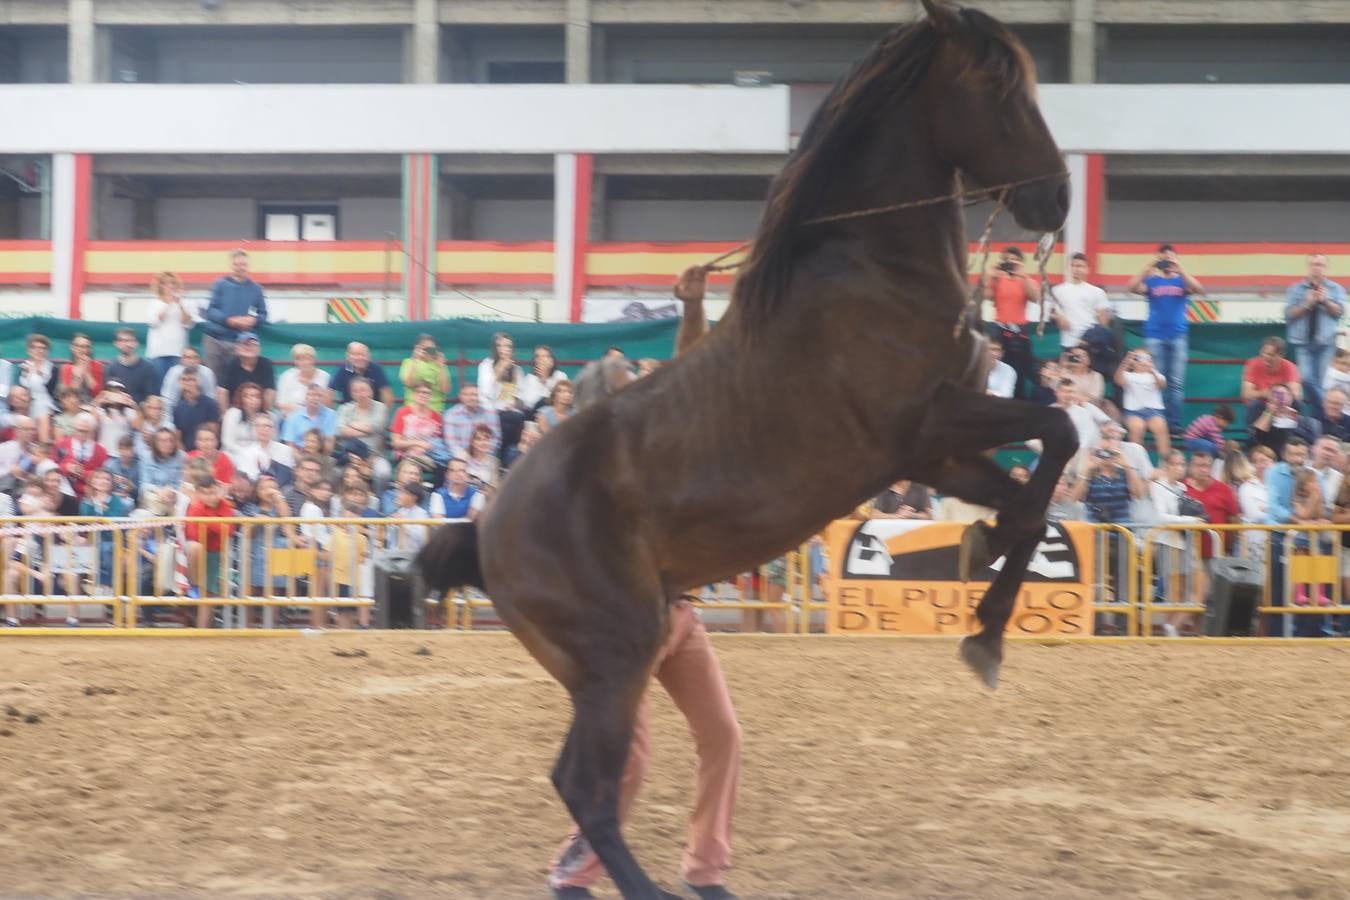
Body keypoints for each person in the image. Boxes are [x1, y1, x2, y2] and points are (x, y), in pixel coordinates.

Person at [547, 264, 740, 900]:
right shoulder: (589, 469)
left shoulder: (652, 442)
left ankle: (705, 870)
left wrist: (692, 308)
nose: (644, 386)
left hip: (678, 614)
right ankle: (573, 871)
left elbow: (689, 372)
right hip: (623, 630)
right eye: (629, 380)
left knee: (722, 736)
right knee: (629, 763)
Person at [1126, 244, 1205, 434]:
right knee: (1156, 380)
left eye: (1170, 257)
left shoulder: (1181, 281)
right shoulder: (1153, 281)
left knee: (1176, 382)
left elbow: (1199, 290)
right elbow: (1131, 287)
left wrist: (1180, 269)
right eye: (1164, 258)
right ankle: (1158, 420)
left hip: (1178, 335)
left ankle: (1175, 423)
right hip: (1154, 335)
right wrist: (1149, 267)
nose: (1167, 261)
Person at [1149, 450, 1204, 637]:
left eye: (1182, 464)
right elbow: (1160, 516)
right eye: (1175, 464)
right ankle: (1170, 627)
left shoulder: (1182, 487)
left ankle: (1172, 626)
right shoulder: (1158, 487)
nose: (1179, 468)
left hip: (1184, 541)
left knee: (1195, 588)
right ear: (1166, 467)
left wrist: (1190, 520)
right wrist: (1190, 520)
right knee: (1176, 590)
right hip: (1169, 541)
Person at [1285, 253, 1345, 406]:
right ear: (1308, 267)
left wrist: (1325, 301)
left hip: (1326, 343)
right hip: (1303, 342)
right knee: (1306, 379)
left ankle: (1317, 419)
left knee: (1324, 383)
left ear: (1327, 268)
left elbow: (1339, 313)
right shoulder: (1296, 289)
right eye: (1313, 264)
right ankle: (1324, 410)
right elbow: (1289, 314)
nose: (1317, 268)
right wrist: (1307, 304)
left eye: (1320, 265)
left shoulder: (1336, 288)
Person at [982, 245, 1039, 399]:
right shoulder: (998, 279)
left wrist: (1023, 276)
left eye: (1015, 260)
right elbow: (985, 296)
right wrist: (990, 276)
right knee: (995, 364)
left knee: (1020, 370)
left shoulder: (1027, 280)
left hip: (1019, 330)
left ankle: (1018, 400)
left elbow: (1035, 297)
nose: (1011, 263)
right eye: (1007, 260)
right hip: (999, 328)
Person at [202, 249, 267, 381]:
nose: (240, 268)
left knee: (234, 380)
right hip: (214, 339)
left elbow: (263, 314)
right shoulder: (220, 285)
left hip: (239, 342)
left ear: (248, 266)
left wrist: (253, 320)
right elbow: (211, 310)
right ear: (232, 266)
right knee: (211, 378)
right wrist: (228, 320)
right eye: (237, 264)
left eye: (243, 264)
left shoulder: (256, 289)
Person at [183, 472, 238, 627]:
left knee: (208, 596)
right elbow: (193, 535)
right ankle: (193, 583)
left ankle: (204, 629)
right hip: (202, 553)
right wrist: (216, 524)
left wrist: (206, 523)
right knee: (206, 596)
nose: (210, 497)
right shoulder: (196, 507)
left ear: (218, 490)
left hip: (217, 553)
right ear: (199, 493)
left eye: (212, 492)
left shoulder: (225, 505)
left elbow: (229, 530)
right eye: (205, 493)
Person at [79, 468, 133, 593]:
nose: (103, 481)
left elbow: (115, 519)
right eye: (98, 478)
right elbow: (87, 519)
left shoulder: (116, 500)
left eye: (107, 479)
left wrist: (101, 513)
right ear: (92, 481)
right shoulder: (87, 501)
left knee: (107, 549)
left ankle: (109, 586)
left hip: (112, 539)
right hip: (92, 539)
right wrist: (100, 510)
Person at [1073, 437, 1146, 524]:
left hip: (1122, 528)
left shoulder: (1125, 473)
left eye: (1110, 453)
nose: (1106, 457)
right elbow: (1076, 498)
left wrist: (1127, 466)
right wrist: (1087, 470)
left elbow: (1139, 495)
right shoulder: (1089, 474)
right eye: (1102, 452)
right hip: (1095, 527)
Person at [1049, 252, 1111, 351]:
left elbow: (1103, 323)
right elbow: (1052, 314)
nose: (1076, 269)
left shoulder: (1098, 292)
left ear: (1087, 269)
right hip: (1068, 342)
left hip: (1090, 343)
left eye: (1080, 266)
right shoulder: (1057, 290)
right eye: (1073, 265)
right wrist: (1058, 318)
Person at [336, 376, 391, 487]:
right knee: (336, 472)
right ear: (351, 393)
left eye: (363, 390)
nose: (360, 394)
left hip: (374, 455)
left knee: (383, 473)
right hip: (350, 454)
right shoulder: (345, 408)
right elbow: (340, 430)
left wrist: (351, 424)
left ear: (371, 391)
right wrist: (367, 431)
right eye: (356, 391)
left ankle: (380, 501)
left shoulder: (381, 407)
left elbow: (376, 427)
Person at [1116, 348, 1170, 456]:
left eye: (1147, 358)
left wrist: (1153, 370)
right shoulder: (1128, 375)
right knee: (1137, 428)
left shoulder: (1156, 375)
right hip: (1133, 412)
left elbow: (1162, 385)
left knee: (1161, 428)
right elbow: (1118, 380)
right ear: (1133, 362)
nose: (1143, 361)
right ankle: (1138, 461)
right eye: (1138, 358)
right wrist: (1126, 362)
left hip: (1154, 411)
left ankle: (1165, 462)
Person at [146, 271, 197, 381]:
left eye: (172, 283)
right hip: (158, 351)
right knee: (158, 383)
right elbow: (153, 322)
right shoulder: (154, 303)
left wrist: (180, 304)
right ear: (159, 286)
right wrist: (168, 304)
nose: (169, 286)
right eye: (165, 283)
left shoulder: (186, 303)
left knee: (177, 382)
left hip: (178, 351)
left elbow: (188, 324)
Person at [1248, 384, 1320, 459]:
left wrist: (1293, 418)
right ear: (1269, 399)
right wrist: (1269, 412)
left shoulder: (1306, 422)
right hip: (1272, 460)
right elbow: (1255, 438)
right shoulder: (1264, 419)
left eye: (1284, 394)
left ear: (1291, 398)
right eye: (1274, 394)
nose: (1279, 397)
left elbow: (1311, 442)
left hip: (1299, 459)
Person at [1241, 336, 1302, 422]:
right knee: (1254, 404)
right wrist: (1266, 393)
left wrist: (1277, 397)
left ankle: (1291, 432)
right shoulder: (1253, 364)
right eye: (1264, 353)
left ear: (1281, 355)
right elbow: (1246, 394)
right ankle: (1254, 434)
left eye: (1271, 355)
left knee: (1297, 404)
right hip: (1262, 407)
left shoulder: (1290, 367)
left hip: (1282, 407)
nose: (1266, 357)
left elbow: (1296, 394)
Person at [218, 332, 276, 412]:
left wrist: (265, 413)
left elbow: (269, 392)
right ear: (237, 348)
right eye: (245, 344)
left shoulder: (266, 364)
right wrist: (225, 415)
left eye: (253, 344)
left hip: (259, 409)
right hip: (235, 409)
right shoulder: (230, 364)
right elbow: (222, 391)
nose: (249, 347)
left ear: (259, 349)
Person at [56, 412, 108, 498]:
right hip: (64, 492)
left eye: (85, 431)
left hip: (90, 494)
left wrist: (85, 474)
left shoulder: (101, 451)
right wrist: (67, 467)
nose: (80, 434)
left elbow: (104, 475)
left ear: (92, 432)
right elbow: (53, 466)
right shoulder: (62, 444)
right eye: (78, 430)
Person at [443, 384, 501, 460]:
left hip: (484, 456)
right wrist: (464, 458)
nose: (470, 398)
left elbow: (495, 439)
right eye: (466, 395)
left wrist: (482, 455)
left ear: (480, 396)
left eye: (474, 395)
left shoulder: (490, 413)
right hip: (461, 457)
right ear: (460, 397)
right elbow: (451, 443)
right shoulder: (451, 414)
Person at [231, 416, 294, 487]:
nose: (265, 429)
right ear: (253, 430)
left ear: (274, 430)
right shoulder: (245, 453)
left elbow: (289, 476)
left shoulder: (285, 450)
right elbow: (248, 478)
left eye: (268, 426)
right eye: (259, 426)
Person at [399, 333, 452, 413]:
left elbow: (445, 390)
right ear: (417, 348)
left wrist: (441, 366)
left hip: (435, 410)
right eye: (425, 348)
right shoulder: (408, 362)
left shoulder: (440, 365)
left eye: (432, 349)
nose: (428, 351)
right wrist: (415, 359)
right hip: (413, 409)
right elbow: (408, 383)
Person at [105, 327, 161, 403]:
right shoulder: (111, 367)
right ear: (116, 343)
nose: (126, 344)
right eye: (121, 340)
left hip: (142, 412)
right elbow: (109, 396)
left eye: (129, 340)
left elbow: (152, 397)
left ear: (136, 343)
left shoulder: (148, 368)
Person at [331, 341, 394, 407]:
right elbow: (330, 392)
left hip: (373, 411)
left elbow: (387, 394)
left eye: (363, 354)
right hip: (350, 412)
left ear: (369, 356)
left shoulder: (376, 368)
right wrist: (331, 414)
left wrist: (383, 414)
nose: (359, 357)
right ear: (348, 356)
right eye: (355, 354)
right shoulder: (342, 370)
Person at [275, 343, 331, 417]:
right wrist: (302, 411)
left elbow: (327, 404)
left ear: (314, 359)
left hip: (317, 416)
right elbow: (280, 403)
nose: (305, 362)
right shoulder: (286, 375)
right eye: (300, 359)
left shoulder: (325, 377)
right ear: (295, 361)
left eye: (308, 358)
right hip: (290, 416)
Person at [172, 370, 221, 452]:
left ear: (198, 382)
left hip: (208, 451)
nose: (187, 383)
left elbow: (213, 433)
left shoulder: (210, 404)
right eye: (184, 379)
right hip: (188, 454)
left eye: (191, 379)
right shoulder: (178, 408)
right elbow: (178, 438)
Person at [220, 382, 272, 457]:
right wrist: (246, 453)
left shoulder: (267, 417)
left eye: (257, 397)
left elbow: (270, 441)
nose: (253, 400)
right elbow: (227, 441)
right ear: (241, 398)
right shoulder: (233, 413)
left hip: (258, 455)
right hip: (233, 454)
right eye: (249, 396)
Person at [281, 383, 337, 452]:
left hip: (321, 455)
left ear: (323, 398)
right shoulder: (293, 417)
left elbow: (329, 444)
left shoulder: (331, 415)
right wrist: (301, 460)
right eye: (312, 395)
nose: (316, 398)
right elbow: (290, 446)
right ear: (306, 397)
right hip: (299, 454)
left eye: (319, 395)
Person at [137, 427, 187, 502]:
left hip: (175, 495)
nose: (168, 444)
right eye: (163, 441)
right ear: (155, 443)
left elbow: (182, 482)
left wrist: (172, 492)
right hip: (154, 495)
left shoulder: (181, 456)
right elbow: (144, 485)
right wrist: (159, 491)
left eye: (171, 440)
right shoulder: (146, 457)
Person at [17, 333, 56, 421]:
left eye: (43, 348)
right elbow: (18, 389)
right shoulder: (22, 368)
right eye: (35, 347)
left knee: (41, 407)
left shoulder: (52, 369)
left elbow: (53, 392)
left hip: (46, 404)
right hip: (24, 404)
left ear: (47, 351)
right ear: (29, 350)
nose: (39, 351)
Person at [57, 333, 104, 404]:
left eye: (86, 347)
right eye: (79, 346)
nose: (83, 349)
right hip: (73, 406)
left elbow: (98, 393)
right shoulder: (66, 368)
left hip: (93, 406)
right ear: (72, 348)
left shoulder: (97, 365)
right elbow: (68, 396)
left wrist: (87, 373)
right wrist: (78, 375)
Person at [521, 345, 567, 411]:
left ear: (551, 361)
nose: (540, 359)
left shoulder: (560, 376)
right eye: (537, 356)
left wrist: (545, 380)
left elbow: (560, 398)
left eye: (544, 356)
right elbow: (528, 401)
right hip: (533, 412)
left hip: (554, 411)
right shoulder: (530, 378)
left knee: (545, 402)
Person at [463, 424, 501, 492]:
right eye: (479, 439)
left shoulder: (495, 462)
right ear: (472, 442)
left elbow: (494, 488)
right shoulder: (463, 457)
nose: (483, 443)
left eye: (487, 439)